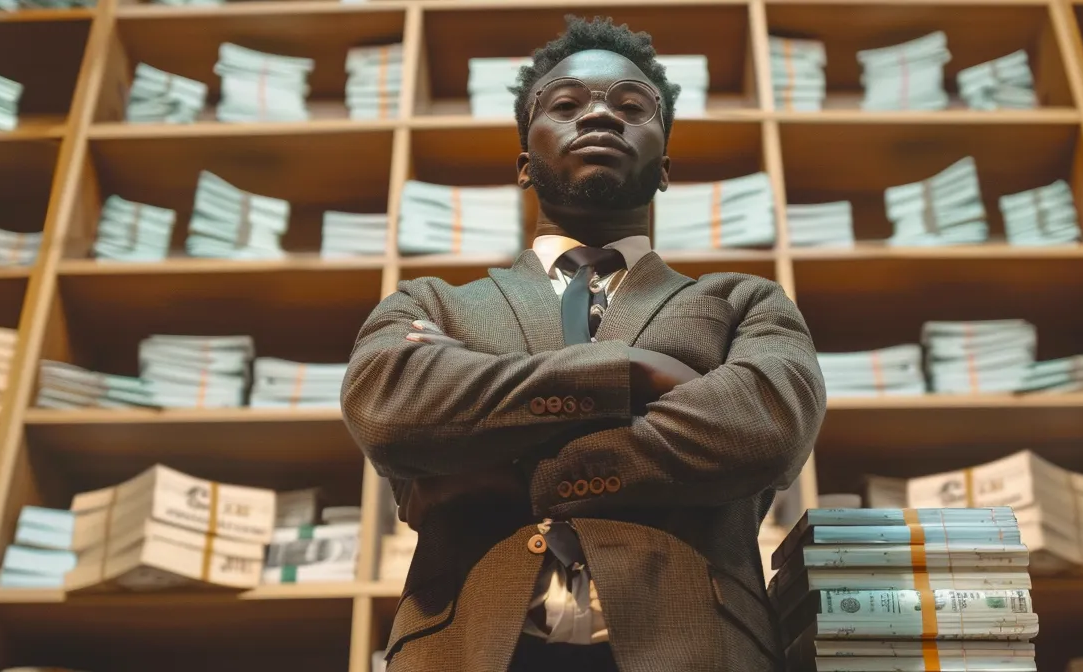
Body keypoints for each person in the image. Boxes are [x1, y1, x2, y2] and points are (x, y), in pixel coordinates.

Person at [341, 15, 825, 672]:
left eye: (631, 106)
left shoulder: (743, 302)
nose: (600, 114)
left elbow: (764, 428)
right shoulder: (430, 304)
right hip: (467, 646)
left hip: (700, 646)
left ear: (663, 168)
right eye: (566, 105)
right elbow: (393, 415)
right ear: (523, 162)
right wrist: (628, 373)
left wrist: (498, 454)